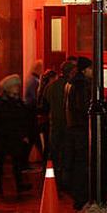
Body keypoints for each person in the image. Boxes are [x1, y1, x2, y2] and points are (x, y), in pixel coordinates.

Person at [0, 74, 33, 196]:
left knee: (16, 162)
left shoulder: (17, 102)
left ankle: (18, 185)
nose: (17, 87)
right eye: (15, 86)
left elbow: (24, 119)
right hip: (3, 136)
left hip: (14, 137)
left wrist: (24, 134)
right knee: (0, 163)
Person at [64, 56, 92, 210]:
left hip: (73, 127)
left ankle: (78, 194)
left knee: (77, 162)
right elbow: (82, 107)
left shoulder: (72, 83)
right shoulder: (81, 85)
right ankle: (81, 196)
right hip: (80, 128)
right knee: (82, 163)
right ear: (85, 69)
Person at [43, 59, 76, 190]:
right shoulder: (70, 86)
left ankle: (56, 181)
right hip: (68, 124)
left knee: (55, 154)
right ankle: (66, 182)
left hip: (55, 125)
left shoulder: (51, 86)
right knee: (67, 154)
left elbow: (45, 104)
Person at [37, 69, 58, 165]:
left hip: (43, 121)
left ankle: (45, 164)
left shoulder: (42, 89)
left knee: (46, 144)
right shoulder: (49, 89)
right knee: (49, 144)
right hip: (48, 121)